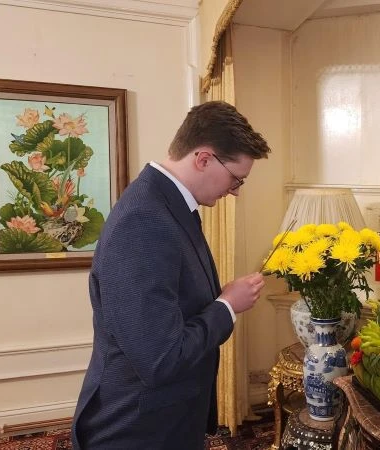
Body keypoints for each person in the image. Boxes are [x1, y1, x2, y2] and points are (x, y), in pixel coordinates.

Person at [71, 101, 271, 449]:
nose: (236, 190)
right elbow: (161, 359)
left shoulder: (168, 204)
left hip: (165, 417)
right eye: (236, 178)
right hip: (136, 428)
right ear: (204, 159)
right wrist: (226, 306)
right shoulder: (144, 220)